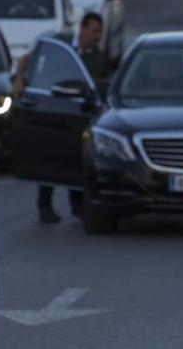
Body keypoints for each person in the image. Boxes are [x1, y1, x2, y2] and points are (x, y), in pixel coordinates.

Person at [13, 13, 111, 223]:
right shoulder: (60, 44)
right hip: (50, 108)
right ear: (83, 29)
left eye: (99, 33)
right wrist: (20, 78)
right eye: (94, 31)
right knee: (49, 155)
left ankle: (77, 206)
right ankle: (44, 206)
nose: (97, 37)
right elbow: (27, 59)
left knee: (75, 158)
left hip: (76, 113)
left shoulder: (99, 57)